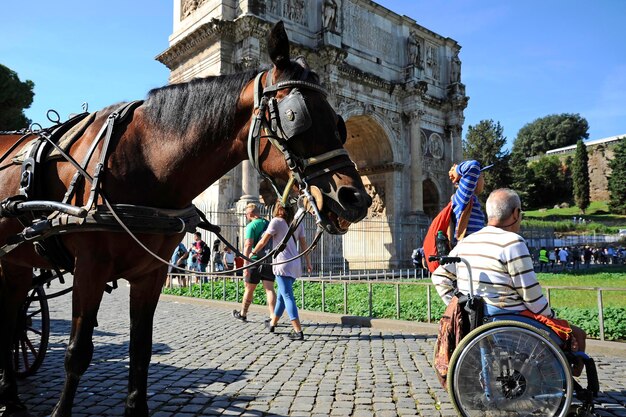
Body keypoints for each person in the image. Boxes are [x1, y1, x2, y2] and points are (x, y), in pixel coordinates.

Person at [431, 188, 586, 374]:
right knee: (576, 333)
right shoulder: (513, 242)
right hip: (509, 320)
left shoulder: (466, 243)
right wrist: (550, 316)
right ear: (516, 213)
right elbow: (531, 295)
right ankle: (567, 380)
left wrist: (459, 308)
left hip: (476, 319)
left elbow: (439, 276)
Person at [251, 204, 312, 340]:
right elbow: (304, 245)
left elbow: (263, 241)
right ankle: (273, 323)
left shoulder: (276, 221)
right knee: (281, 297)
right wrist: (308, 262)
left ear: (279, 209)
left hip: (282, 264)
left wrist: (253, 252)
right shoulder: (297, 223)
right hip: (295, 264)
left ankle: (298, 331)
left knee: (287, 296)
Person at [233, 203, 276, 322]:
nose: (246, 217)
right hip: (268, 260)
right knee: (269, 289)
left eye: (246, 214)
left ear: (250, 214)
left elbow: (248, 245)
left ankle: (243, 313)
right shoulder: (268, 223)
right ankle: (273, 316)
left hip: (255, 261)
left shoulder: (251, 225)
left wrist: (246, 265)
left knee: (249, 289)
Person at [448, 160, 491, 242]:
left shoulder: (469, 199)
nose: (484, 181)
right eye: (482, 177)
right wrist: (457, 169)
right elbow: (473, 165)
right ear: (475, 179)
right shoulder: (463, 196)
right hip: (469, 250)